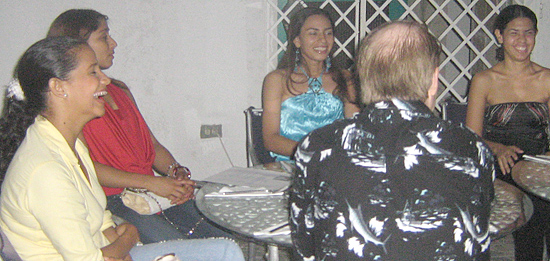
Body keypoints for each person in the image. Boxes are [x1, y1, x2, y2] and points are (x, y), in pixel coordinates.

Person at [0, 36, 244, 261]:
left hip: (107, 253)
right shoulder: (46, 170)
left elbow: (102, 223)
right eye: (92, 72)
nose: (104, 79)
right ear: (58, 87)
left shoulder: (66, 144)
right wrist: (128, 239)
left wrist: (121, 245)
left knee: (225, 249)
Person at [289, 21, 495, 260]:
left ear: (362, 81)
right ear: (434, 81)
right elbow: (478, 234)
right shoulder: (473, 149)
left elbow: (304, 247)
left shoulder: (317, 145)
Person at [46, 9, 232, 244]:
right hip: (114, 199)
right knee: (176, 246)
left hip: (150, 191)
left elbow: (151, 145)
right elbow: (85, 166)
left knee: (224, 236)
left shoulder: (119, 90)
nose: (113, 43)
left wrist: (175, 172)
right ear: (77, 47)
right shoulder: (74, 103)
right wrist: (153, 183)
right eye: (104, 37)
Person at [465, 4, 550, 260]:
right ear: (500, 36)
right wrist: (497, 148)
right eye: (514, 33)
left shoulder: (546, 78)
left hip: (538, 167)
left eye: (528, 33)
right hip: (500, 165)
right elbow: (471, 137)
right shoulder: (484, 80)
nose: (522, 40)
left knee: (541, 196)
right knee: (526, 214)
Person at [262, 7, 360, 161]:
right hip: (291, 167)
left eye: (328, 33)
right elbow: (270, 139)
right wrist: (312, 154)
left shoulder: (345, 78)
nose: (323, 40)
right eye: (313, 33)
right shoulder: (277, 80)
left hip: (334, 165)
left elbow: (354, 129)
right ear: (297, 40)